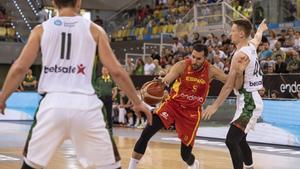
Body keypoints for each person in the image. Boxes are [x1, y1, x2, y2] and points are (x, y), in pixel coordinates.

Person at [0, 0, 152, 169]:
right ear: (78, 2)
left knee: (30, 165)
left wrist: (3, 96)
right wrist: (137, 102)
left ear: (53, 2)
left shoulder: (41, 30)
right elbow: (116, 71)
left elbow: (20, 67)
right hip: (86, 106)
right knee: (110, 166)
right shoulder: (95, 30)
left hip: (51, 105)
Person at [128, 44, 229, 169]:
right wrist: (161, 84)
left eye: (198, 59)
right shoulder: (181, 65)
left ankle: (193, 164)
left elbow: (229, 82)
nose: (194, 61)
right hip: (173, 105)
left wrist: (239, 73)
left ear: (205, 59)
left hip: (191, 112)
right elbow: (167, 80)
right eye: (193, 57)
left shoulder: (211, 70)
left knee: (185, 155)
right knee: (147, 132)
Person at [202, 19, 268, 169]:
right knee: (240, 139)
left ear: (241, 34)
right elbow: (257, 38)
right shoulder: (251, 46)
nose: (230, 33)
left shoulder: (239, 55)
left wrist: (215, 105)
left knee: (231, 140)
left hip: (249, 103)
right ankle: (250, 166)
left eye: (233, 31)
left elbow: (229, 86)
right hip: (247, 100)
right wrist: (261, 29)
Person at [93, 66, 117, 134]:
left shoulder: (111, 80)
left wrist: (113, 97)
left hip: (109, 99)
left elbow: (115, 89)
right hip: (100, 99)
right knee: (100, 113)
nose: (104, 71)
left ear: (108, 71)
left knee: (109, 114)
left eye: (105, 70)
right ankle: (99, 128)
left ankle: (110, 128)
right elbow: (95, 89)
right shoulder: (98, 79)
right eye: (103, 70)